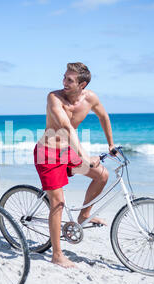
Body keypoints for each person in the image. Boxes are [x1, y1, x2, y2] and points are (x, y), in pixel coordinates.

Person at [34, 62, 115, 268]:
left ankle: (84, 215)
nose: (64, 82)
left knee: (102, 175)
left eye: (69, 80)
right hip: (49, 155)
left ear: (83, 84)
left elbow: (103, 116)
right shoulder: (54, 97)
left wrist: (111, 144)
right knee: (58, 203)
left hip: (68, 153)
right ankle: (57, 255)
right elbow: (67, 128)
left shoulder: (91, 98)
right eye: (64, 77)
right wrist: (86, 157)